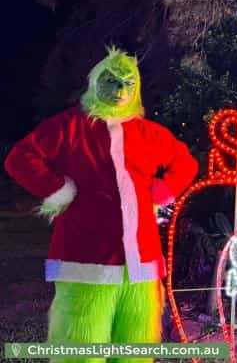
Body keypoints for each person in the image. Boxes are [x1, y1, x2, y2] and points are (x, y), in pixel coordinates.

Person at [5, 48, 198, 363]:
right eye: (112, 81)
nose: (120, 90)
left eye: (127, 82)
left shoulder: (149, 133)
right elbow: (20, 158)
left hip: (141, 265)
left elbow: (185, 163)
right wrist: (58, 189)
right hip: (86, 259)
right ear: (96, 82)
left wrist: (163, 189)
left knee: (135, 349)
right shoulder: (69, 127)